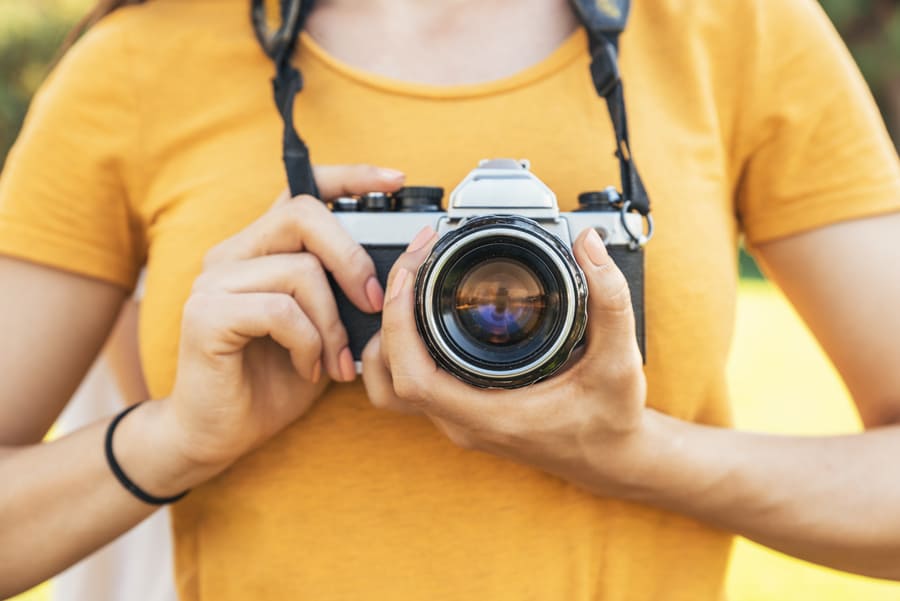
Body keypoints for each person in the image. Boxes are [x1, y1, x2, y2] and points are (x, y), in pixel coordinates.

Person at [0, 0, 898, 599]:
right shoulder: (142, 57)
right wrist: (175, 438)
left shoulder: (737, 27)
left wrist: (635, 454)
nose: (491, 306)